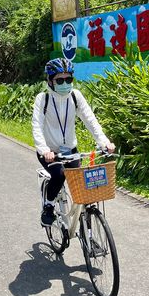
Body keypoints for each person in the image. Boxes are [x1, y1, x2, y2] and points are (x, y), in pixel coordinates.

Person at [32, 58, 115, 227]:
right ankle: (48, 206)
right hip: (50, 152)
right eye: (60, 80)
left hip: (70, 150)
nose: (65, 83)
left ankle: (86, 227)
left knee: (82, 183)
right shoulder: (43, 99)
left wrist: (104, 142)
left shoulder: (75, 96)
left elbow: (90, 120)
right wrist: (44, 149)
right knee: (59, 175)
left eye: (68, 79)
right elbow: (37, 126)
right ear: (50, 80)